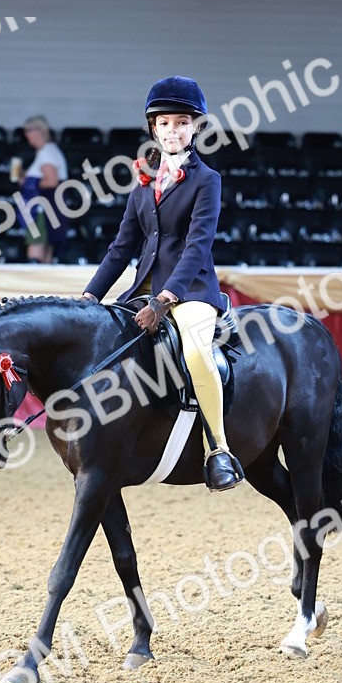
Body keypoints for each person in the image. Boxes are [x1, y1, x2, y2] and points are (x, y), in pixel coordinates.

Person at [82, 75, 245, 492]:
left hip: (190, 292)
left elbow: (198, 244)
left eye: (182, 122)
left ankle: (219, 450)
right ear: (153, 127)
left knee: (194, 350)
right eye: (166, 122)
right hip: (140, 293)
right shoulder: (142, 187)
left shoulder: (207, 180)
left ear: (195, 128)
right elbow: (121, 249)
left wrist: (166, 298)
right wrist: (89, 297)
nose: (174, 130)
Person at [10, 116, 69, 263]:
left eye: (28, 131)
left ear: (39, 131)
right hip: (47, 208)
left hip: (41, 209)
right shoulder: (48, 151)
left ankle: (34, 284)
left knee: (36, 245)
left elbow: (51, 180)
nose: (26, 135)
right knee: (46, 248)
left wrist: (32, 184)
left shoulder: (46, 152)